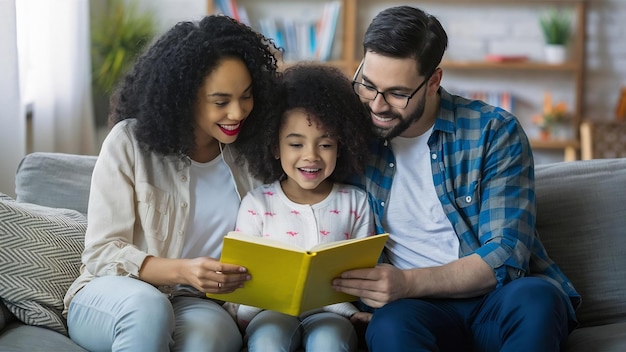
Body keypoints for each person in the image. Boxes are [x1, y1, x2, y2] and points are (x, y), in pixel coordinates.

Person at [331, 6, 581, 352]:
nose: (377, 105)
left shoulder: (493, 132)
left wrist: (405, 283)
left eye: (397, 93)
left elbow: (507, 254)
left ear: (433, 81)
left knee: (538, 298)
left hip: (494, 301)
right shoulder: (348, 135)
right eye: (368, 85)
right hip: (412, 314)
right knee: (389, 328)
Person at [62, 15, 281, 352]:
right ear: (183, 97)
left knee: (211, 340)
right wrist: (184, 270)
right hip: (117, 292)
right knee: (149, 309)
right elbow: (102, 253)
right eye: (220, 102)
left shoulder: (252, 155)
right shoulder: (128, 144)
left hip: (199, 304)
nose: (238, 113)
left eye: (246, 96)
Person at [234, 63, 375, 352]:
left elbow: (361, 277)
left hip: (332, 316)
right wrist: (241, 316)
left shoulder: (355, 202)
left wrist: (352, 313)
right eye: (296, 144)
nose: (311, 156)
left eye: (325, 145)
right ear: (275, 147)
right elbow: (244, 281)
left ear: (341, 146)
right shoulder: (257, 204)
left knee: (329, 343)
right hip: (266, 314)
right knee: (267, 342)